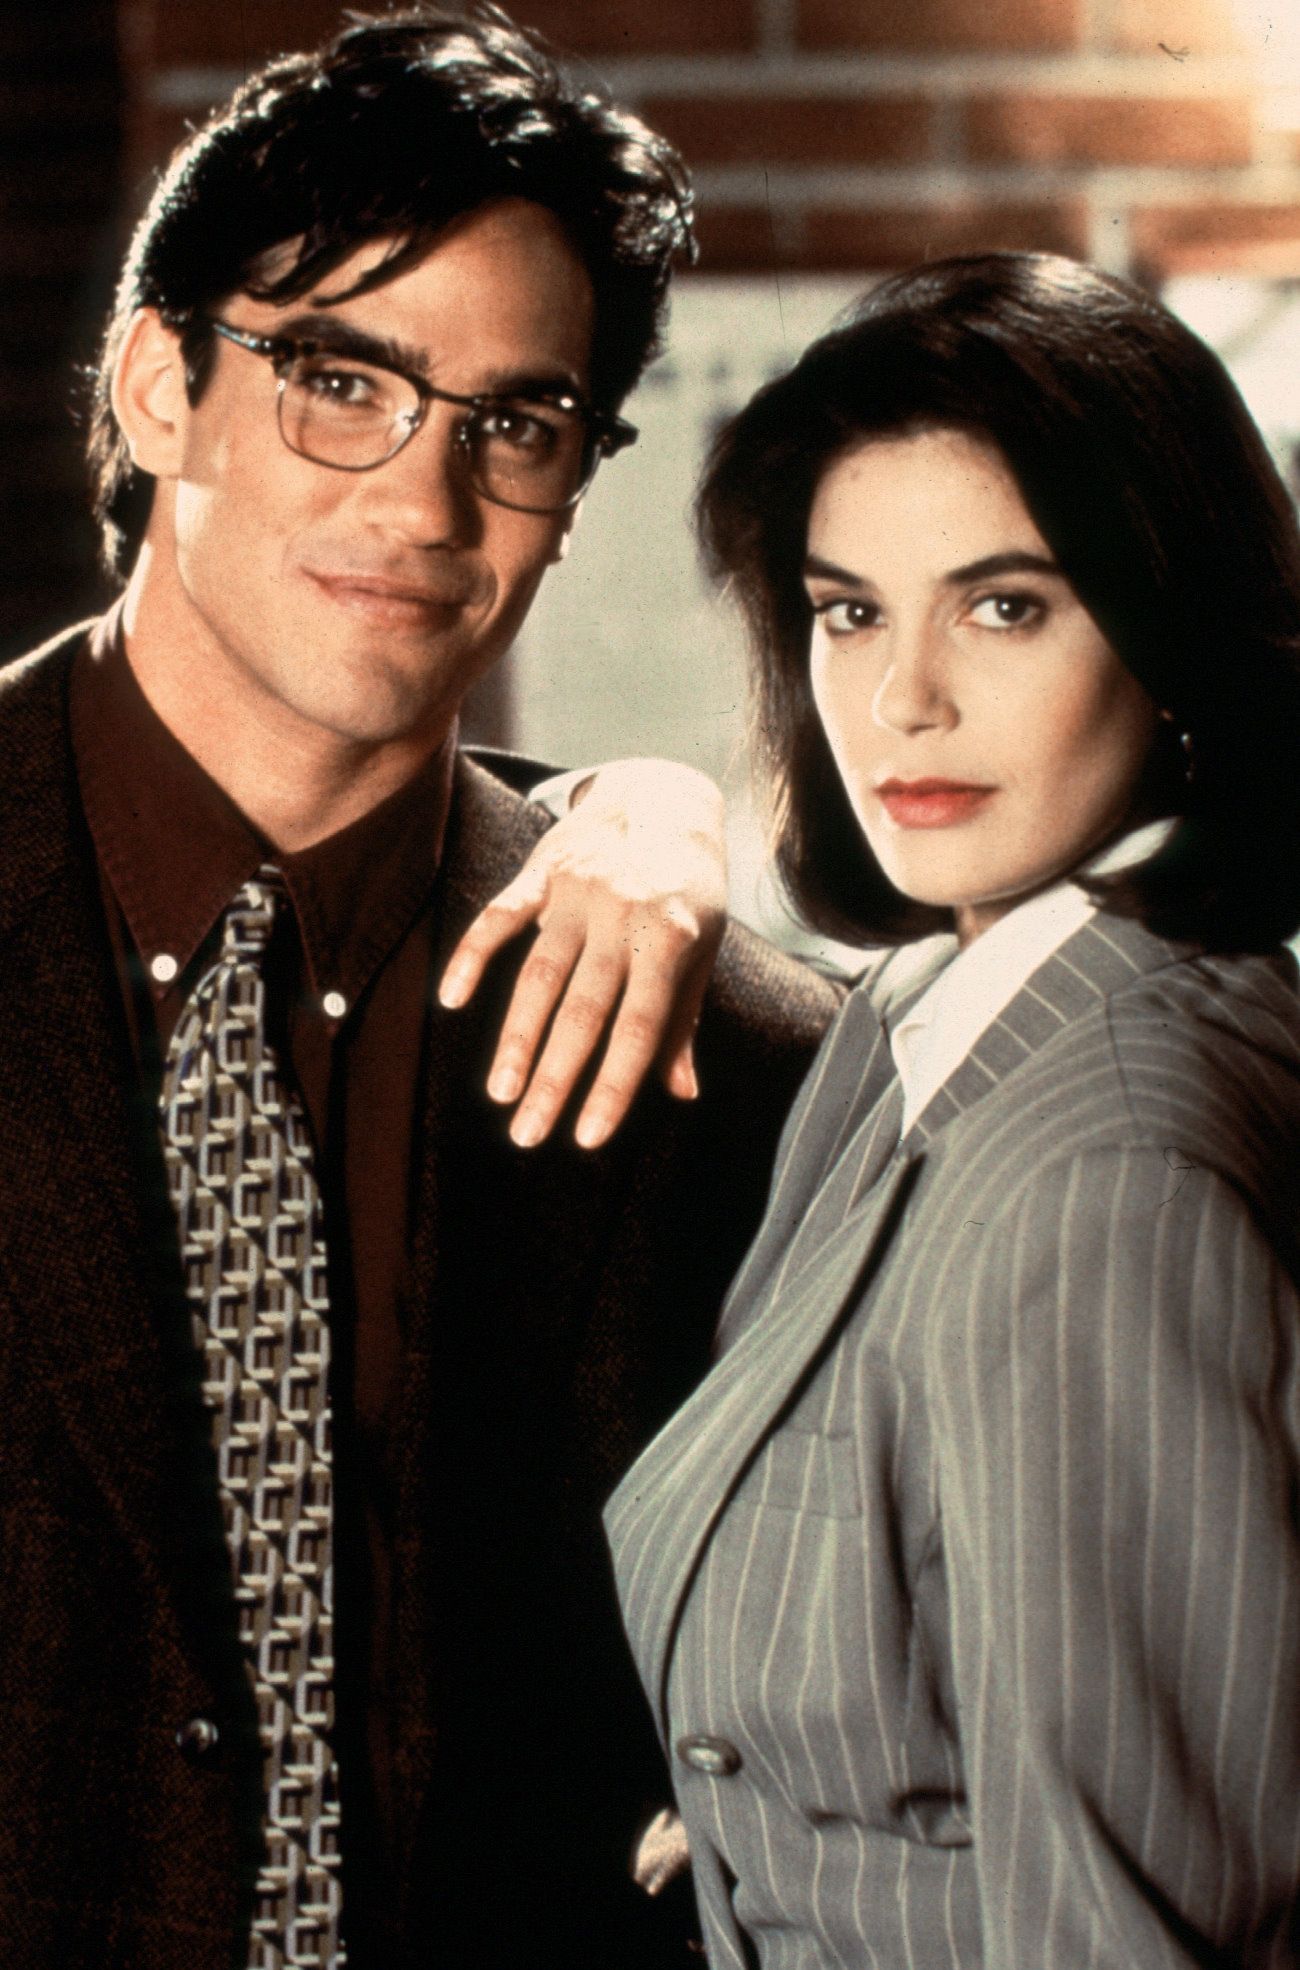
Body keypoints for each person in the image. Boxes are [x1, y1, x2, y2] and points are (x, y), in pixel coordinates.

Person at [0, 10, 836, 1968]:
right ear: (156, 383)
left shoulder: (735, 1054)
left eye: (514, 423)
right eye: (341, 383)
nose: (424, 501)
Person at [603, 253, 1300, 1967]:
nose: (903, 697)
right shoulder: (917, 1016)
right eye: (850, 611)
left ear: (1169, 633)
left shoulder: (1104, 1175)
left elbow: (1127, 1929)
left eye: (1004, 607)